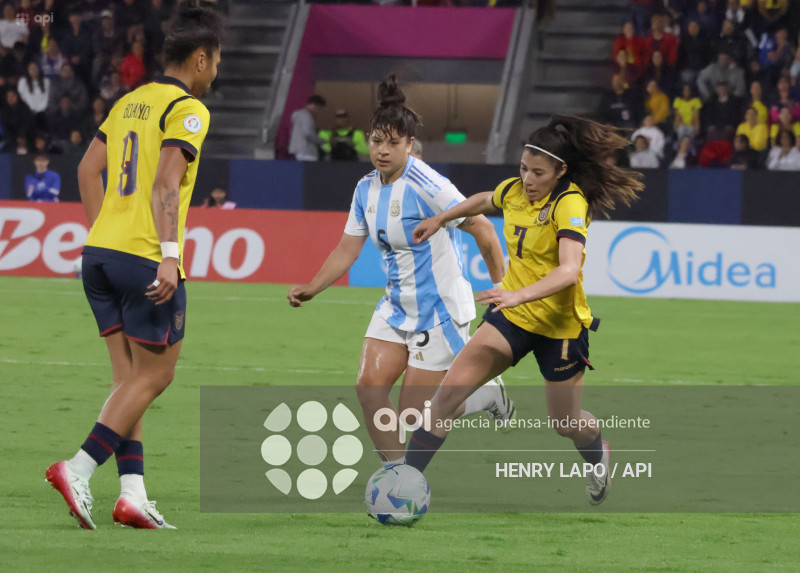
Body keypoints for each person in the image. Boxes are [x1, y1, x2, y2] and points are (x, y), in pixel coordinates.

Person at [45, 2, 223, 531]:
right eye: (215, 61)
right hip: (146, 257)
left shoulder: (129, 103)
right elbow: (166, 184)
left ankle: (132, 495)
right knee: (158, 374)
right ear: (198, 59)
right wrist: (168, 256)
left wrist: (107, 236)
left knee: (129, 379)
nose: (216, 71)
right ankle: (77, 468)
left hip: (99, 254)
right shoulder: (188, 110)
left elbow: (86, 170)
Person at [407, 115, 643, 506]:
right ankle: (406, 482)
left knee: (565, 425)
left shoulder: (569, 203)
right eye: (523, 169)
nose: (527, 179)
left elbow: (569, 271)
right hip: (512, 319)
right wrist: (441, 218)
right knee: (445, 397)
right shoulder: (516, 191)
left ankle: (598, 453)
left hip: (560, 327)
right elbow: (485, 199)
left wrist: (518, 295)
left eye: (537, 172)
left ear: (560, 171)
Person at [287, 75, 513, 466]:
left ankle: (485, 395)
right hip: (396, 306)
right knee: (369, 388)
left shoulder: (429, 185)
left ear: (410, 144)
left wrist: (504, 293)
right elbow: (348, 247)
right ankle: (398, 478)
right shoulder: (365, 188)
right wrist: (314, 286)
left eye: (393, 143)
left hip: (437, 310)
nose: (383, 151)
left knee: (415, 415)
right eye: (377, 141)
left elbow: (485, 232)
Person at [288, 94, 326, 161]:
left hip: (298, 150)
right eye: (318, 108)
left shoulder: (298, 116)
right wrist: (321, 140)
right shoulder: (306, 116)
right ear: (313, 105)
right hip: (306, 150)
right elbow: (308, 133)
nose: (318, 111)